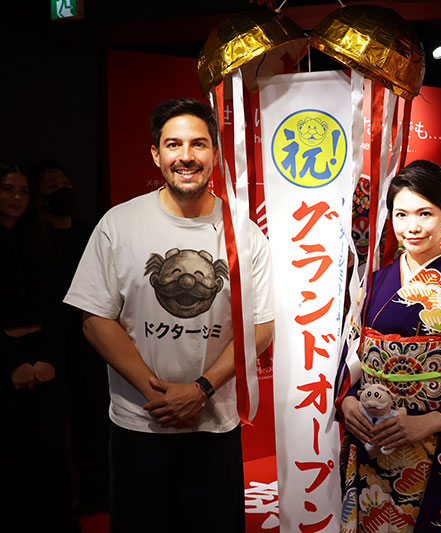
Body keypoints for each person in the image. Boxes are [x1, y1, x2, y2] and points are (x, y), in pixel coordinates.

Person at [64, 97, 275, 533]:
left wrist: (200, 390)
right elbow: (96, 319)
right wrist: (158, 395)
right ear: (156, 154)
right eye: (173, 144)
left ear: (214, 153)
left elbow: (261, 326)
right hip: (139, 423)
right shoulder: (119, 224)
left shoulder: (245, 233)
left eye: (198, 144)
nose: (186, 156)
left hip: (214, 426)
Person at [338, 160, 441, 532]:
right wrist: (348, 401)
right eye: (401, 214)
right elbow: (349, 357)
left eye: (425, 213)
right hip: (373, 443)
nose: (411, 227)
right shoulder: (371, 285)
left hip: (435, 448)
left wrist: (424, 423)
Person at [1, 162, 80, 532]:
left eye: (23, 191)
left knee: (50, 451)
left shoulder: (40, 240)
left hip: (44, 357)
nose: (17, 197)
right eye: (8, 189)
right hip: (6, 359)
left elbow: (61, 306)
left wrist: (47, 358)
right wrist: (12, 364)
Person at [30, 158, 110, 515]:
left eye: (66, 184)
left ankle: (99, 492)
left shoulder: (89, 233)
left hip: (90, 343)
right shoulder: (33, 239)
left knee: (93, 420)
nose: (63, 190)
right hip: (47, 346)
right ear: (39, 197)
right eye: (52, 186)